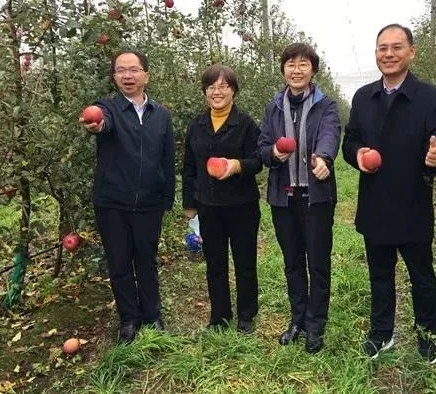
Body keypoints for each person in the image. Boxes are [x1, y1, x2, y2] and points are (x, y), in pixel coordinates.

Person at [342, 24, 436, 364]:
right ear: (376, 53)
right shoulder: (364, 97)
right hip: (376, 202)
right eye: (382, 48)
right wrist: (358, 154)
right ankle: (382, 333)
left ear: (411, 52)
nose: (388, 54)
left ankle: (427, 335)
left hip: (413, 202)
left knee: (421, 275)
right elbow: (351, 140)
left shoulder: (430, 97)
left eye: (396, 47)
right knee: (380, 274)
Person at [80, 50, 175, 343]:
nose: (127, 76)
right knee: (119, 262)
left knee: (146, 260)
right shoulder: (108, 108)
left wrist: (167, 197)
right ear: (114, 77)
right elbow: (101, 122)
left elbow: (167, 158)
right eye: (121, 70)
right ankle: (129, 319)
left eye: (133, 70)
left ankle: (152, 315)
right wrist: (96, 123)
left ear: (146, 75)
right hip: (112, 203)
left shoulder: (161, 116)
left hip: (149, 202)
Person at [258, 43, 341, 354]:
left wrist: (324, 158)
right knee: (292, 262)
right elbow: (262, 146)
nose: (296, 70)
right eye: (291, 64)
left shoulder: (326, 105)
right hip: (284, 198)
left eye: (303, 64)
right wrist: (273, 153)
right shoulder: (274, 107)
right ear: (283, 70)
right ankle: (298, 320)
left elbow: (330, 134)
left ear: (313, 70)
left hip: (314, 198)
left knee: (317, 262)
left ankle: (316, 324)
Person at [182, 64, 262, 334]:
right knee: (215, 263)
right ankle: (220, 316)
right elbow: (189, 166)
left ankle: (246, 315)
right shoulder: (197, 125)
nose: (217, 92)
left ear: (233, 91)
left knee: (244, 261)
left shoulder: (246, 124)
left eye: (224, 86)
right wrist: (189, 204)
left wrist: (236, 166)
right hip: (208, 205)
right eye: (211, 87)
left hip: (241, 204)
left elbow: (257, 161)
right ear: (205, 91)